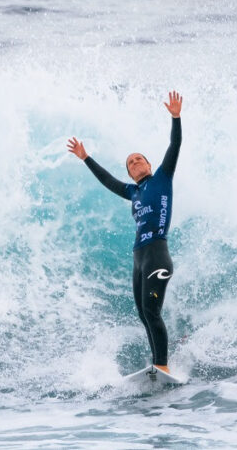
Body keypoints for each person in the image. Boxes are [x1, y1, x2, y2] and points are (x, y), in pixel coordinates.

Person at [67, 91, 183, 373]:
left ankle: (162, 366)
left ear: (150, 165)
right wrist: (86, 158)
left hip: (157, 254)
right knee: (144, 315)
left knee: (152, 311)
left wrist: (175, 117)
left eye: (139, 159)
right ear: (130, 174)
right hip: (138, 259)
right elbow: (107, 180)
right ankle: (158, 363)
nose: (135, 163)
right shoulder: (132, 191)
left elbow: (175, 144)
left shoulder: (163, 178)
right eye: (130, 163)